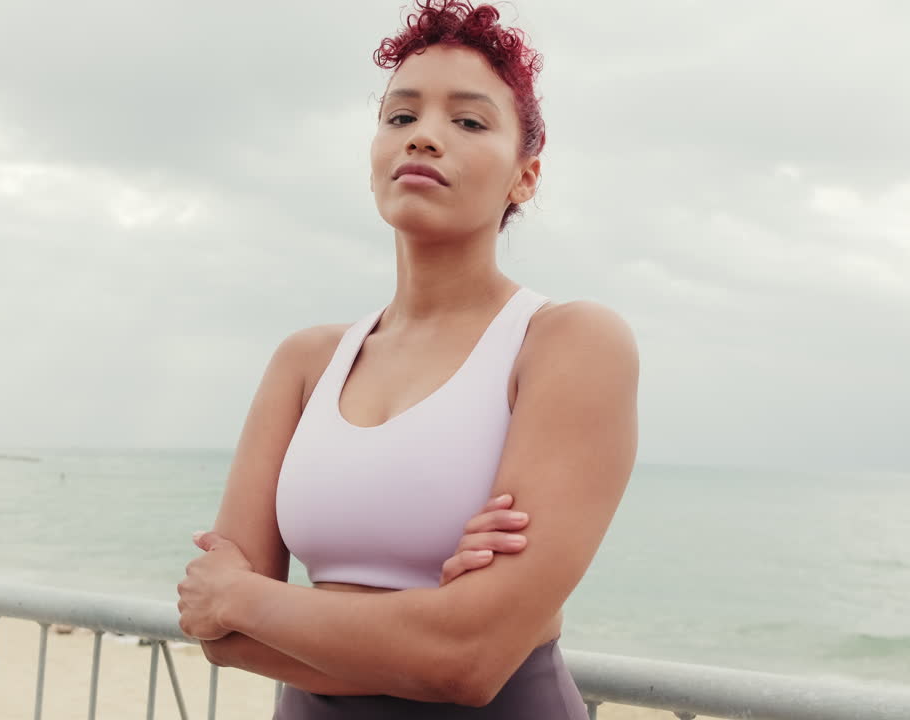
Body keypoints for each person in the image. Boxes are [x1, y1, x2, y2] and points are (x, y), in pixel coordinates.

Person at [176, 1, 638, 716]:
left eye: (469, 121)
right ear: (374, 158)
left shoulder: (568, 343)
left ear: (526, 177)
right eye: (400, 117)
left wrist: (250, 597)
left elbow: (469, 662)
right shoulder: (306, 362)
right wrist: (419, 632)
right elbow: (219, 634)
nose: (424, 137)